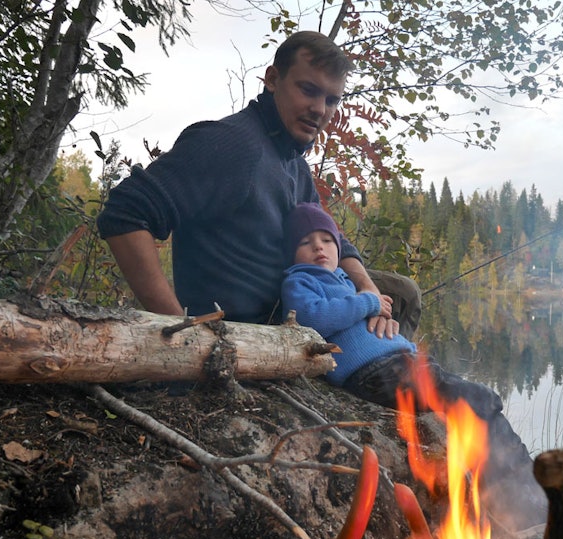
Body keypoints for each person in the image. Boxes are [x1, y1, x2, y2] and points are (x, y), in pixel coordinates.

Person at [96, 31, 420, 339]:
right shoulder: (232, 144)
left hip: (304, 297)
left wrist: (367, 287)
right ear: (273, 79)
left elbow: (336, 240)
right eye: (308, 90)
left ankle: (385, 360)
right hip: (251, 327)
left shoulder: (294, 163)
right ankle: (378, 371)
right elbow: (127, 211)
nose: (320, 109)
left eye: (332, 99)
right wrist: (180, 329)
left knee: (401, 293)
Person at [281, 202, 546, 530]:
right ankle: (531, 512)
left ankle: (528, 504)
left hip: (402, 364)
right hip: (378, 373)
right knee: (478, 401)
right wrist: (369, 301)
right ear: (292, 253)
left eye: (326, 239)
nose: (318, 247)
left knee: (476, 407)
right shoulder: (300, 281)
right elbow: (313, 316)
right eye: (306, 243)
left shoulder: (342, 280)